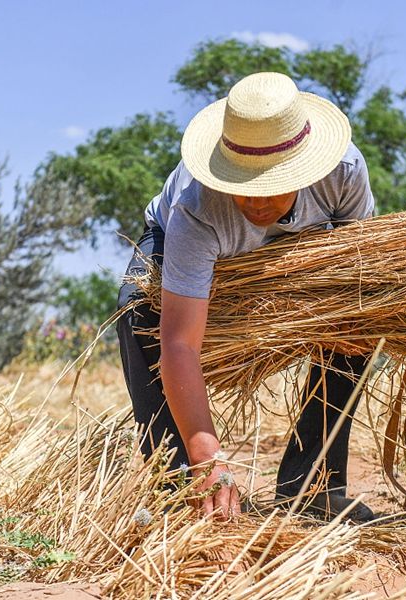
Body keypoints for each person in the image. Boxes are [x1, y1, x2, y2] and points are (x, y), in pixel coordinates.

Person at [116, 72, 376, 523]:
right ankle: (179, 489)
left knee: (355, 327)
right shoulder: (196, 208)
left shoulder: (344, 174)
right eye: (243, 184)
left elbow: (360, 266)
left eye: (271, 184)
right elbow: (181, 344)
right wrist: (207, 457)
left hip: (298, 250)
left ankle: (313, 485)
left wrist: (349, 316)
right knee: (138, 313)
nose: (255, 202)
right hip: (189, 243)